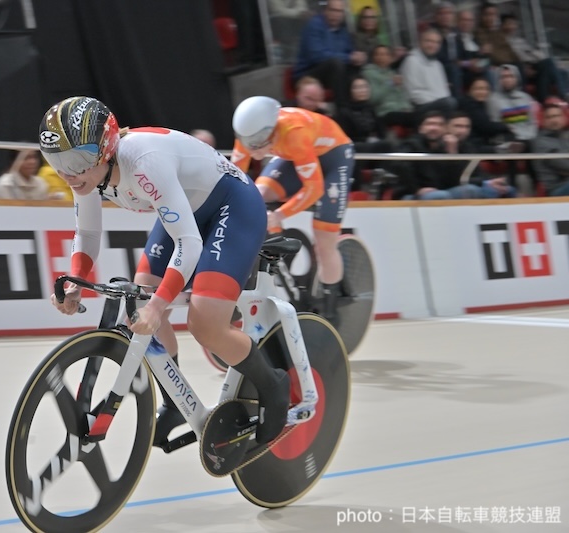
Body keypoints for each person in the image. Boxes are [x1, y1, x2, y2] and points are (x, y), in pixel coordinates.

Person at [41, 96, 290, 447]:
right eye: (56, 162)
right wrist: (76, 281)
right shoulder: (86, 172)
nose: (67, 173)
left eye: (76, 161)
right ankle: (175, 401)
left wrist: (159, 307)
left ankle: (273, 385)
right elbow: (88, 233)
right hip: (187, 207)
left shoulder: (142, 162)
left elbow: (189, 245)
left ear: (107, 147)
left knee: (204, 324)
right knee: (142, 295)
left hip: (233, 206)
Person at [230, 96, 354, 322]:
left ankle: (330, 309)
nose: (254, 149)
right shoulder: (250, 133)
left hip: (333, 157)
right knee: (258, 194)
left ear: (273, 129)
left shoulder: (293, 132)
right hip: (296, 153)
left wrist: (278, 215)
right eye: (248, 142)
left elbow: (314, 189)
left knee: (324, 239)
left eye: (259, 141)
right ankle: (274, 239)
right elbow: (235, 180)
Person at [292, 0, 366, 110]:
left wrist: (357, 57)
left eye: (340, 11)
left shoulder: (342, 30)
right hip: (308, 74)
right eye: (333, 10)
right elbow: (317, 56)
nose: (337, 14)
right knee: (335, 63)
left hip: (333, 73)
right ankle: (343, 110)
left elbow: (349, 53)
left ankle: (362, 109)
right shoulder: (314, 25)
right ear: (325, 10)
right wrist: (349, 58)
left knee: (356, 67)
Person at [400, 28, 458, 121]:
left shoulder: (437, 64)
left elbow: (444, 91)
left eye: (437, 42)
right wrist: (438, 100)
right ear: (420, 42)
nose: (433, 45)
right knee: (449, 103)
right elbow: (413, 93)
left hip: (440, 103)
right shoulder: (412, 61)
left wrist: (441, 100)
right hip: (419, 106)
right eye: (429, 41)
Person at [532, 103, 569, 196]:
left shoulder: (566, 136)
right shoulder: (540, 142)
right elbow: (563, 165)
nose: (554, 120)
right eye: (549, 117)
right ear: (543, 121)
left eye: (557, 116)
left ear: (564, 118)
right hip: (557, 189)